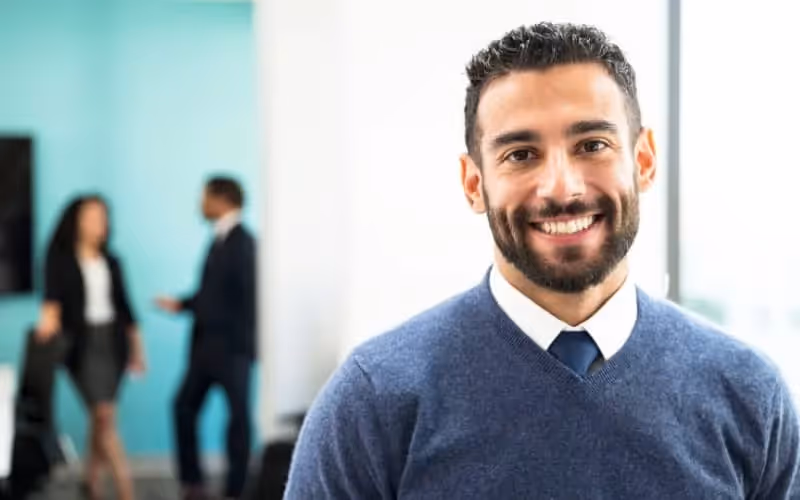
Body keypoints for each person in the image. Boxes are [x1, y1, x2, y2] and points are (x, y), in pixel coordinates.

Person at [284, 22, 800, 498]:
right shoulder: (374, 400)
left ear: (643, 161)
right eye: (521, 154)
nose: (562, 188)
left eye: (592, 144)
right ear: (473, 183)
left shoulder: (750, 394)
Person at [36, 195, 145, 500]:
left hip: (113, 343)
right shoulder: (59, 260)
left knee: (101, 419)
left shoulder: (112, 261)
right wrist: (47, 325)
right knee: (104, 415)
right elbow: (51, 304)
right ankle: (127, 492)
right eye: (92, 217)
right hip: (81, 346)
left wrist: (138, 351)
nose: (99, 223)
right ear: (77, 221)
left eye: (103, 217)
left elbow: (127, 310)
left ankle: (90, 484)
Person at [155, 176, 256, 500]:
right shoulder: (218, 240)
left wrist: (248, 346)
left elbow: (247, 298)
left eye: (204, 197)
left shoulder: (243, 242)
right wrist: (183, 304)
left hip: (232, 350)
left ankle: (236, 489)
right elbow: (213, 294)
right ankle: (193, 483)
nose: (200, 204)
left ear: (221, 199)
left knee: (238, 419)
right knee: (183, 407)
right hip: (205, 349)